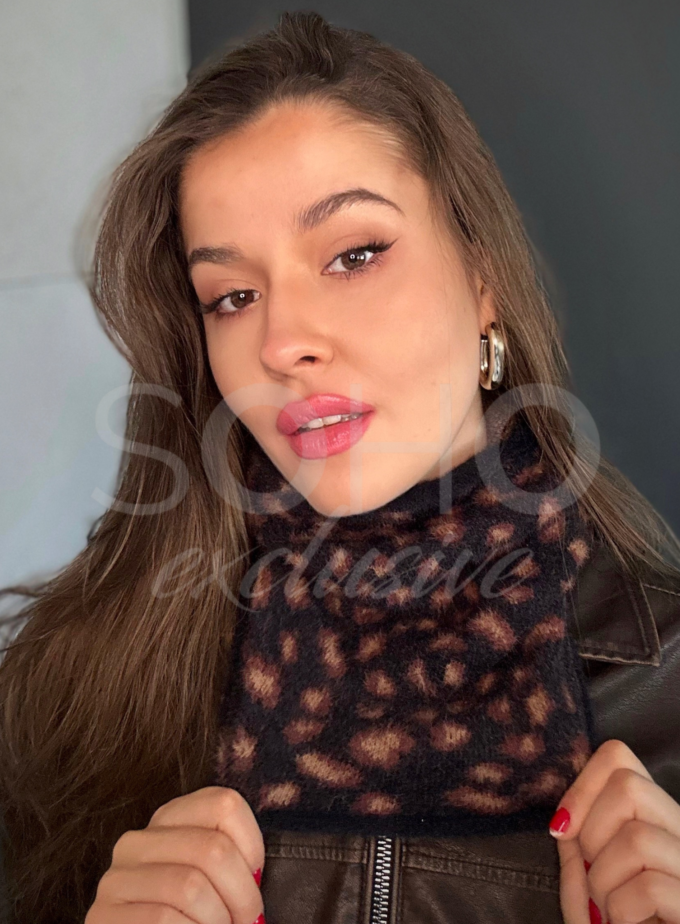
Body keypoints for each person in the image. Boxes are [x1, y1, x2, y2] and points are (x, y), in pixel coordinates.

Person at [1, 10, 680, 924]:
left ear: (482, 278)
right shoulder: (70, 685)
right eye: (232, 295)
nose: (281, 342)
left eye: (354, 255)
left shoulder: (666, 674)